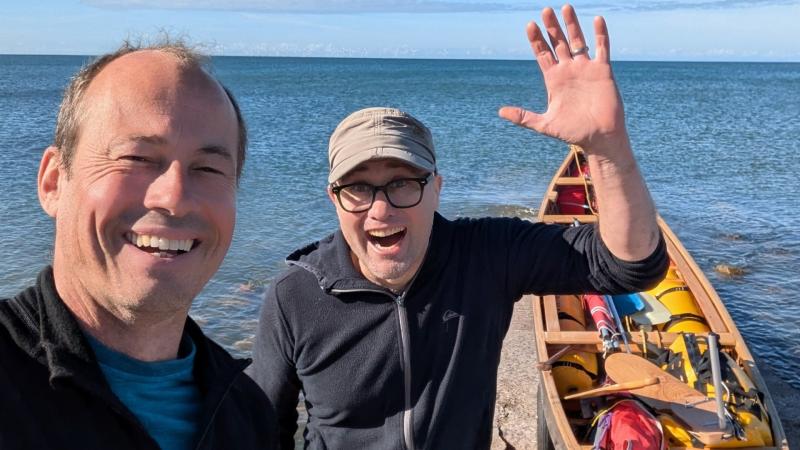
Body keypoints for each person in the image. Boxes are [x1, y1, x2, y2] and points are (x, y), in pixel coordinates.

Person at [250, 5, 668, 449]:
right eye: (357, 189)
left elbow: (629, 266)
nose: (380, 210)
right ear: (334, 199)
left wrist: (605, 147)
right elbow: (259, 429)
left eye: (402, 183)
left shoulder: (485, 255)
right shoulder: (296, 294)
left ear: (436, 189)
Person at [0, 41, 275, 449]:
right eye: (138, 158)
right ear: (54, 182)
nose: (174, 197)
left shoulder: (247, 412)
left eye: (208, 168)